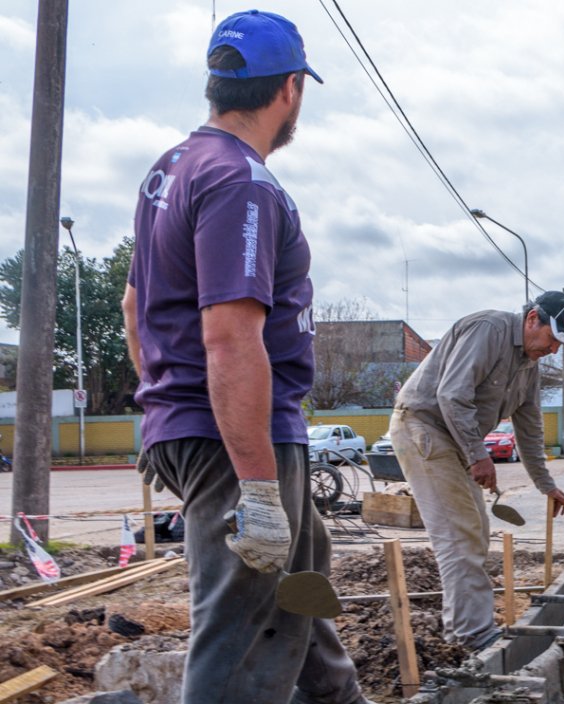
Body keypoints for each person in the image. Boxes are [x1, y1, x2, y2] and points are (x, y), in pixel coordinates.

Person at [122, 11, 372, 703]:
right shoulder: (244, 183)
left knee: (299, 587)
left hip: (196, 427)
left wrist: (163, 405)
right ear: (290, 89)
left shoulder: (171, 169)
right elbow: (232, 338)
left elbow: (132, 306)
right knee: (246, 639)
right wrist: (257, 488)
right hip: (237, 438)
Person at [388, 291, 564, 651]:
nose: (553, 350)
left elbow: (530, 428)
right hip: (423, 428)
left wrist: (546, 484)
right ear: (532, 319)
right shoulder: (488, 329)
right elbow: (451, 395)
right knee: (461, 534)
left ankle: (463, 628)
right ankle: (472, 637)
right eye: (553, 339)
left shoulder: (529, 367)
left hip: (454, 438)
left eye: (561, 345)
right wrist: (479, 455)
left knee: (477, 529)